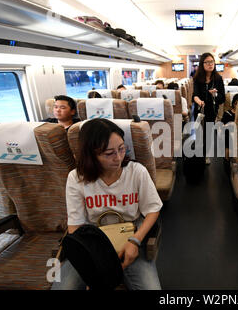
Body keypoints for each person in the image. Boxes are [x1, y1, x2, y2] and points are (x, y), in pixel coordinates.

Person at [52, 118, 162, 290]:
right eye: (108, 153)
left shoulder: (136, 172)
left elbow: (153, 210)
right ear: (91, 155)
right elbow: (75, 226)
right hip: (92, 241)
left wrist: (135, 241)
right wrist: (91, 266)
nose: (118, 158)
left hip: (129, 234)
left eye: (121, 149)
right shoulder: (76, 178)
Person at [192, 53, 225, 164]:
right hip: (199, 110)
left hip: (211, 110)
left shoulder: (218, 79)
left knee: (209, 134)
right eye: (207, 62)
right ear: (202, 64)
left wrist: (214, 95)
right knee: (199, 132)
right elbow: (195, 95)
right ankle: (199, 153)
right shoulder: (197, 78)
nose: (210, 64)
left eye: (212, 62)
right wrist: (199, 101)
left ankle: (206, 155)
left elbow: (222, 98)